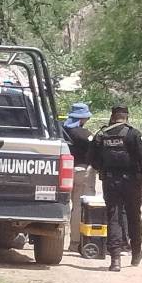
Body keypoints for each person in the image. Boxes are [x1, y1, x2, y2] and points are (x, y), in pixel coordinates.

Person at [88, 104, 142, 272]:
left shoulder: (101, 135)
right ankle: (135, 254)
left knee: (113, 218)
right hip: (132, 182)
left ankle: (115, 260)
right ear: (127, 117)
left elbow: (92, 159)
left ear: (112, 116)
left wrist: (105, 168)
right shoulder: (133, 134)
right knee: (134, 216)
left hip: (110, 181)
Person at [62, 102, 97, 252]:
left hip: (61, 171)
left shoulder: (60, 131)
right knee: (78, 207)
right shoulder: (85, 134)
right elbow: (96, 149)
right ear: (82, 119)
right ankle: (75, 243)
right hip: (82, 171)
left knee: (61, 206)